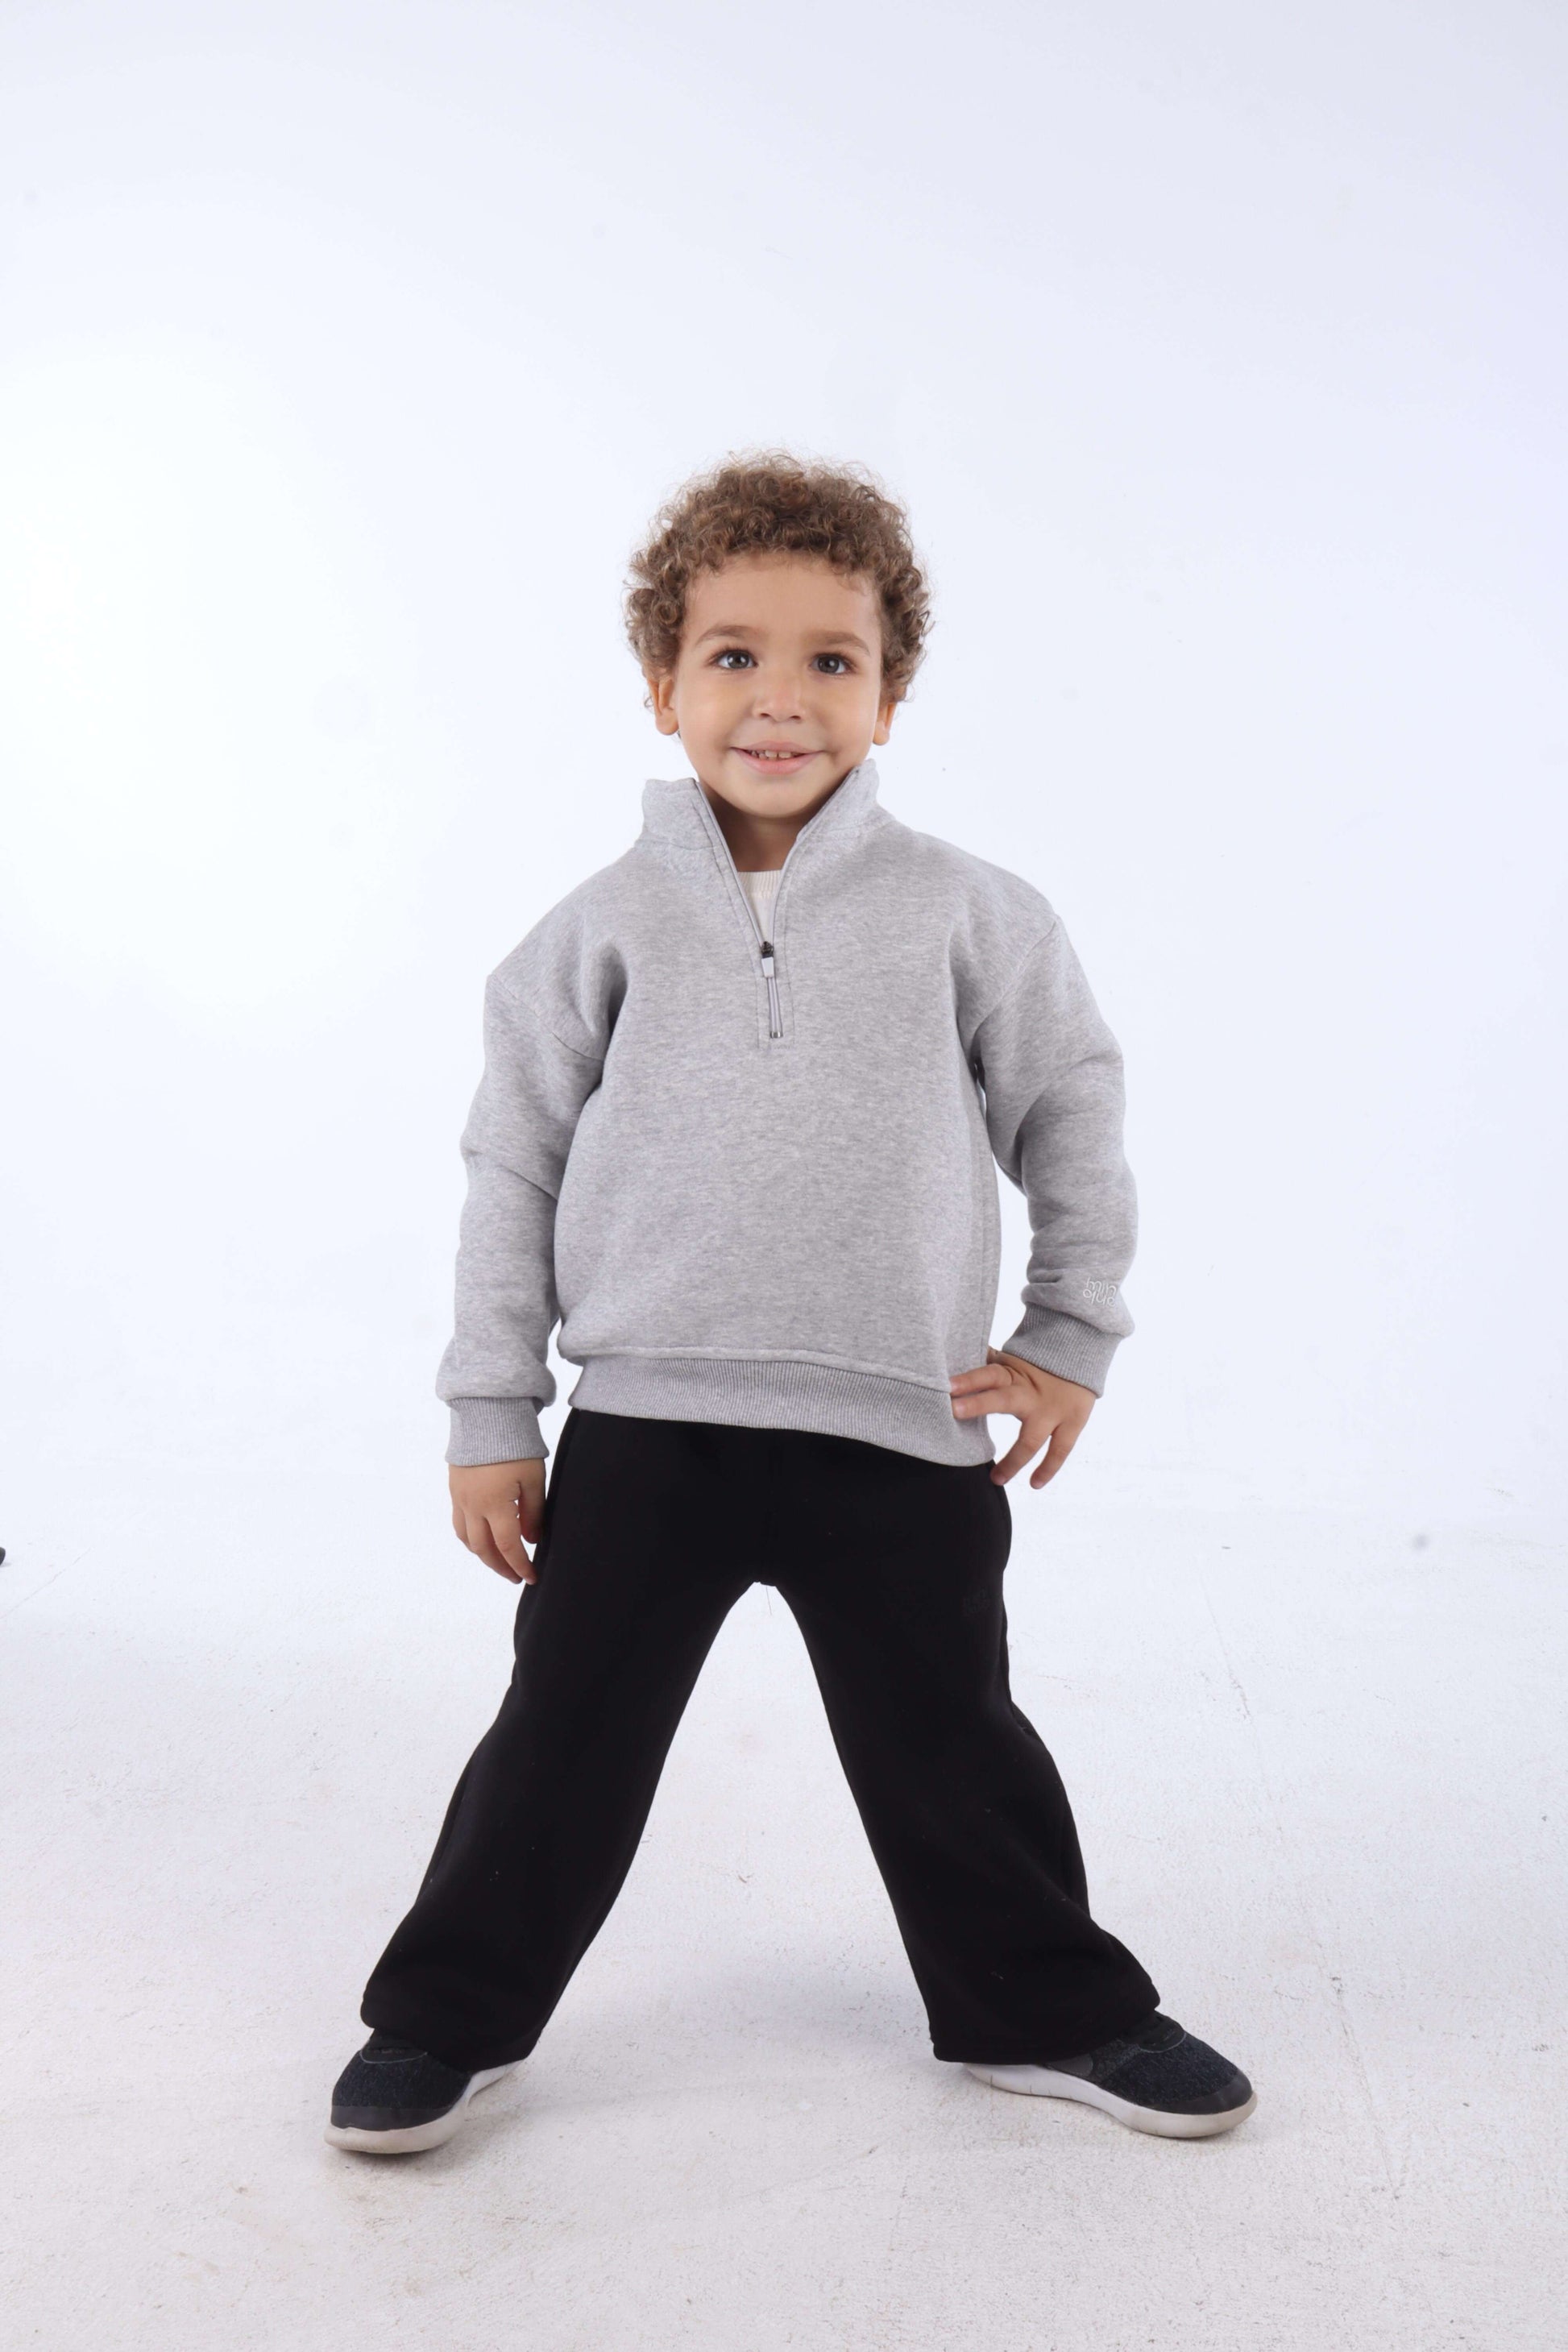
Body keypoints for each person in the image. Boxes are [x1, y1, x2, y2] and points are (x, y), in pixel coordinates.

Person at [326, 453, 1255, 2155]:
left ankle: (1046, 2009)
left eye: (831, 659)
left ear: (888, 695)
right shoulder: (589, 933)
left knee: (951, 1741)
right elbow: (511, 1168)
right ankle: (445, 2018)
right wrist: (488, 1413)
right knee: (561, 1740)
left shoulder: (973, 913)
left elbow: (1071, 1109)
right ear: (661, 685)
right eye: (732, 654)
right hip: (647, 1427)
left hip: (896, 1423)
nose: (780, 697)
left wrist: (1067, 1333)